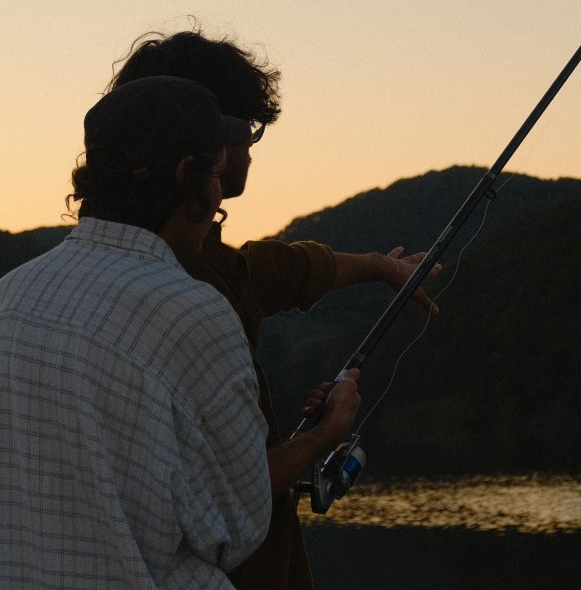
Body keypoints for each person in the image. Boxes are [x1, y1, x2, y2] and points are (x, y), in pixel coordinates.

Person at [0, 75, 361, 589]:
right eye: (214, 180)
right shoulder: (195, 313)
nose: (216, 205)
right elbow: (236, 525)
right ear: (187, 175)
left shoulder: (13, 294)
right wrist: (327, 434)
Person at [108, 29, 440, 590]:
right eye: (250, 130)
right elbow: (236, 492)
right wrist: (324, 434)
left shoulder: (160, 257)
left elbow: (274, 272)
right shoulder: (186, 294)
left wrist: (380, 267)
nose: (252, 148)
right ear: (212, 138)